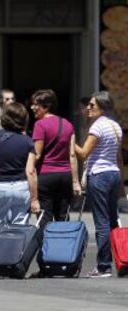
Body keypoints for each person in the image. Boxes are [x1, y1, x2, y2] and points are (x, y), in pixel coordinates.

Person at [0, 102, 40, 277]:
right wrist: (34, 199)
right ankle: (11, 266)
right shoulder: (28, 142)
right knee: (19, 230)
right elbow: (30, 171)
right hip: (21, 188)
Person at [75, 91, 122, 278]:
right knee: (112, 220)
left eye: (92, 105)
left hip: (99, 175)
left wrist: (69, 141)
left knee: (101, 221)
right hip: (113, 174)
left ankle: (104, 266)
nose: (88, 108)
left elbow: (83, 153)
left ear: (102, 107)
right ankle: (119, 259)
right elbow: (117, 157)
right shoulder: (115, 126)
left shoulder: (98, 127)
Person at [30, 89, 81, 228]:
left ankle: (43, 248)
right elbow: (72, 155)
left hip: (45, 176)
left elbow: (38, 154)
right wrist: (75, 182)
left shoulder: (39, 125)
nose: (32, 107)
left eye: (36, 105)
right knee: (63, 217)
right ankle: (63, 247)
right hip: (65, 176)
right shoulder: (68, 124)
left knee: (44, 217)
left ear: (46, 107)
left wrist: (27, 169)